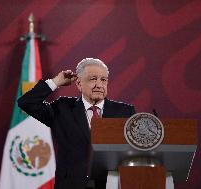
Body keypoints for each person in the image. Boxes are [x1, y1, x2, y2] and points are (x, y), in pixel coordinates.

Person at [18, 58, 135, 189]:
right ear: (79, 84)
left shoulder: (124, 111)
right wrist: (55, 82)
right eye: (93, 79)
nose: (99, 84)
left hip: (110, 184)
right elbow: (26, 103)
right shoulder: (62, 108)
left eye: (103, 80)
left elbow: (135, 151)